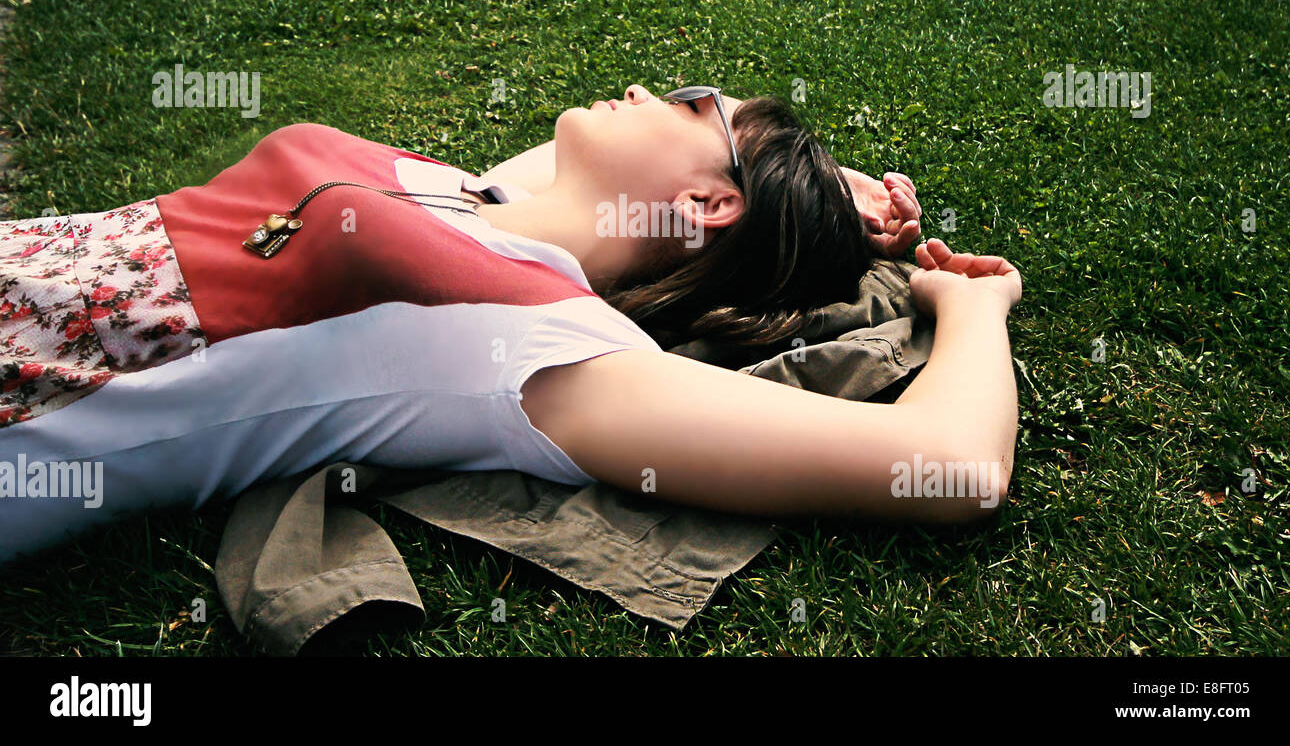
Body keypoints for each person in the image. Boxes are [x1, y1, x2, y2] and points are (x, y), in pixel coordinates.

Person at [0, 83, 1019, 565]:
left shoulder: (544, 347)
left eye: (687, 97)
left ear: (710, 204)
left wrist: (972, 303)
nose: (647, 85)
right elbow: (739, 169)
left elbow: (951, 463)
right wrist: (852, 209)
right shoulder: (477, 194)